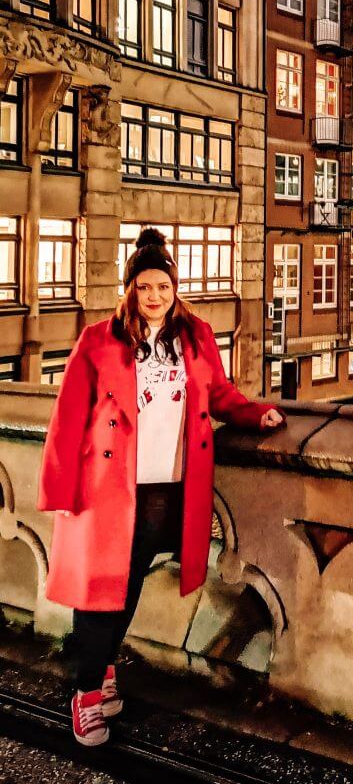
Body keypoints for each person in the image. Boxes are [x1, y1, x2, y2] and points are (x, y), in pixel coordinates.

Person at [37, 228, 285, 746]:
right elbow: (67, 418)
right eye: (145, 286)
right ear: (130, 289)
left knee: (123, 590)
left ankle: (102, 674)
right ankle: (85, 696)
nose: (154, 296)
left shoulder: (194, 337)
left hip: (165, 492)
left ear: (175, 289)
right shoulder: (99, 341)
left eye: (163, 287)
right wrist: (60, 491)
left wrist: (255, 413)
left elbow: (218, 394)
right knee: (99, 595)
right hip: (108, 491)